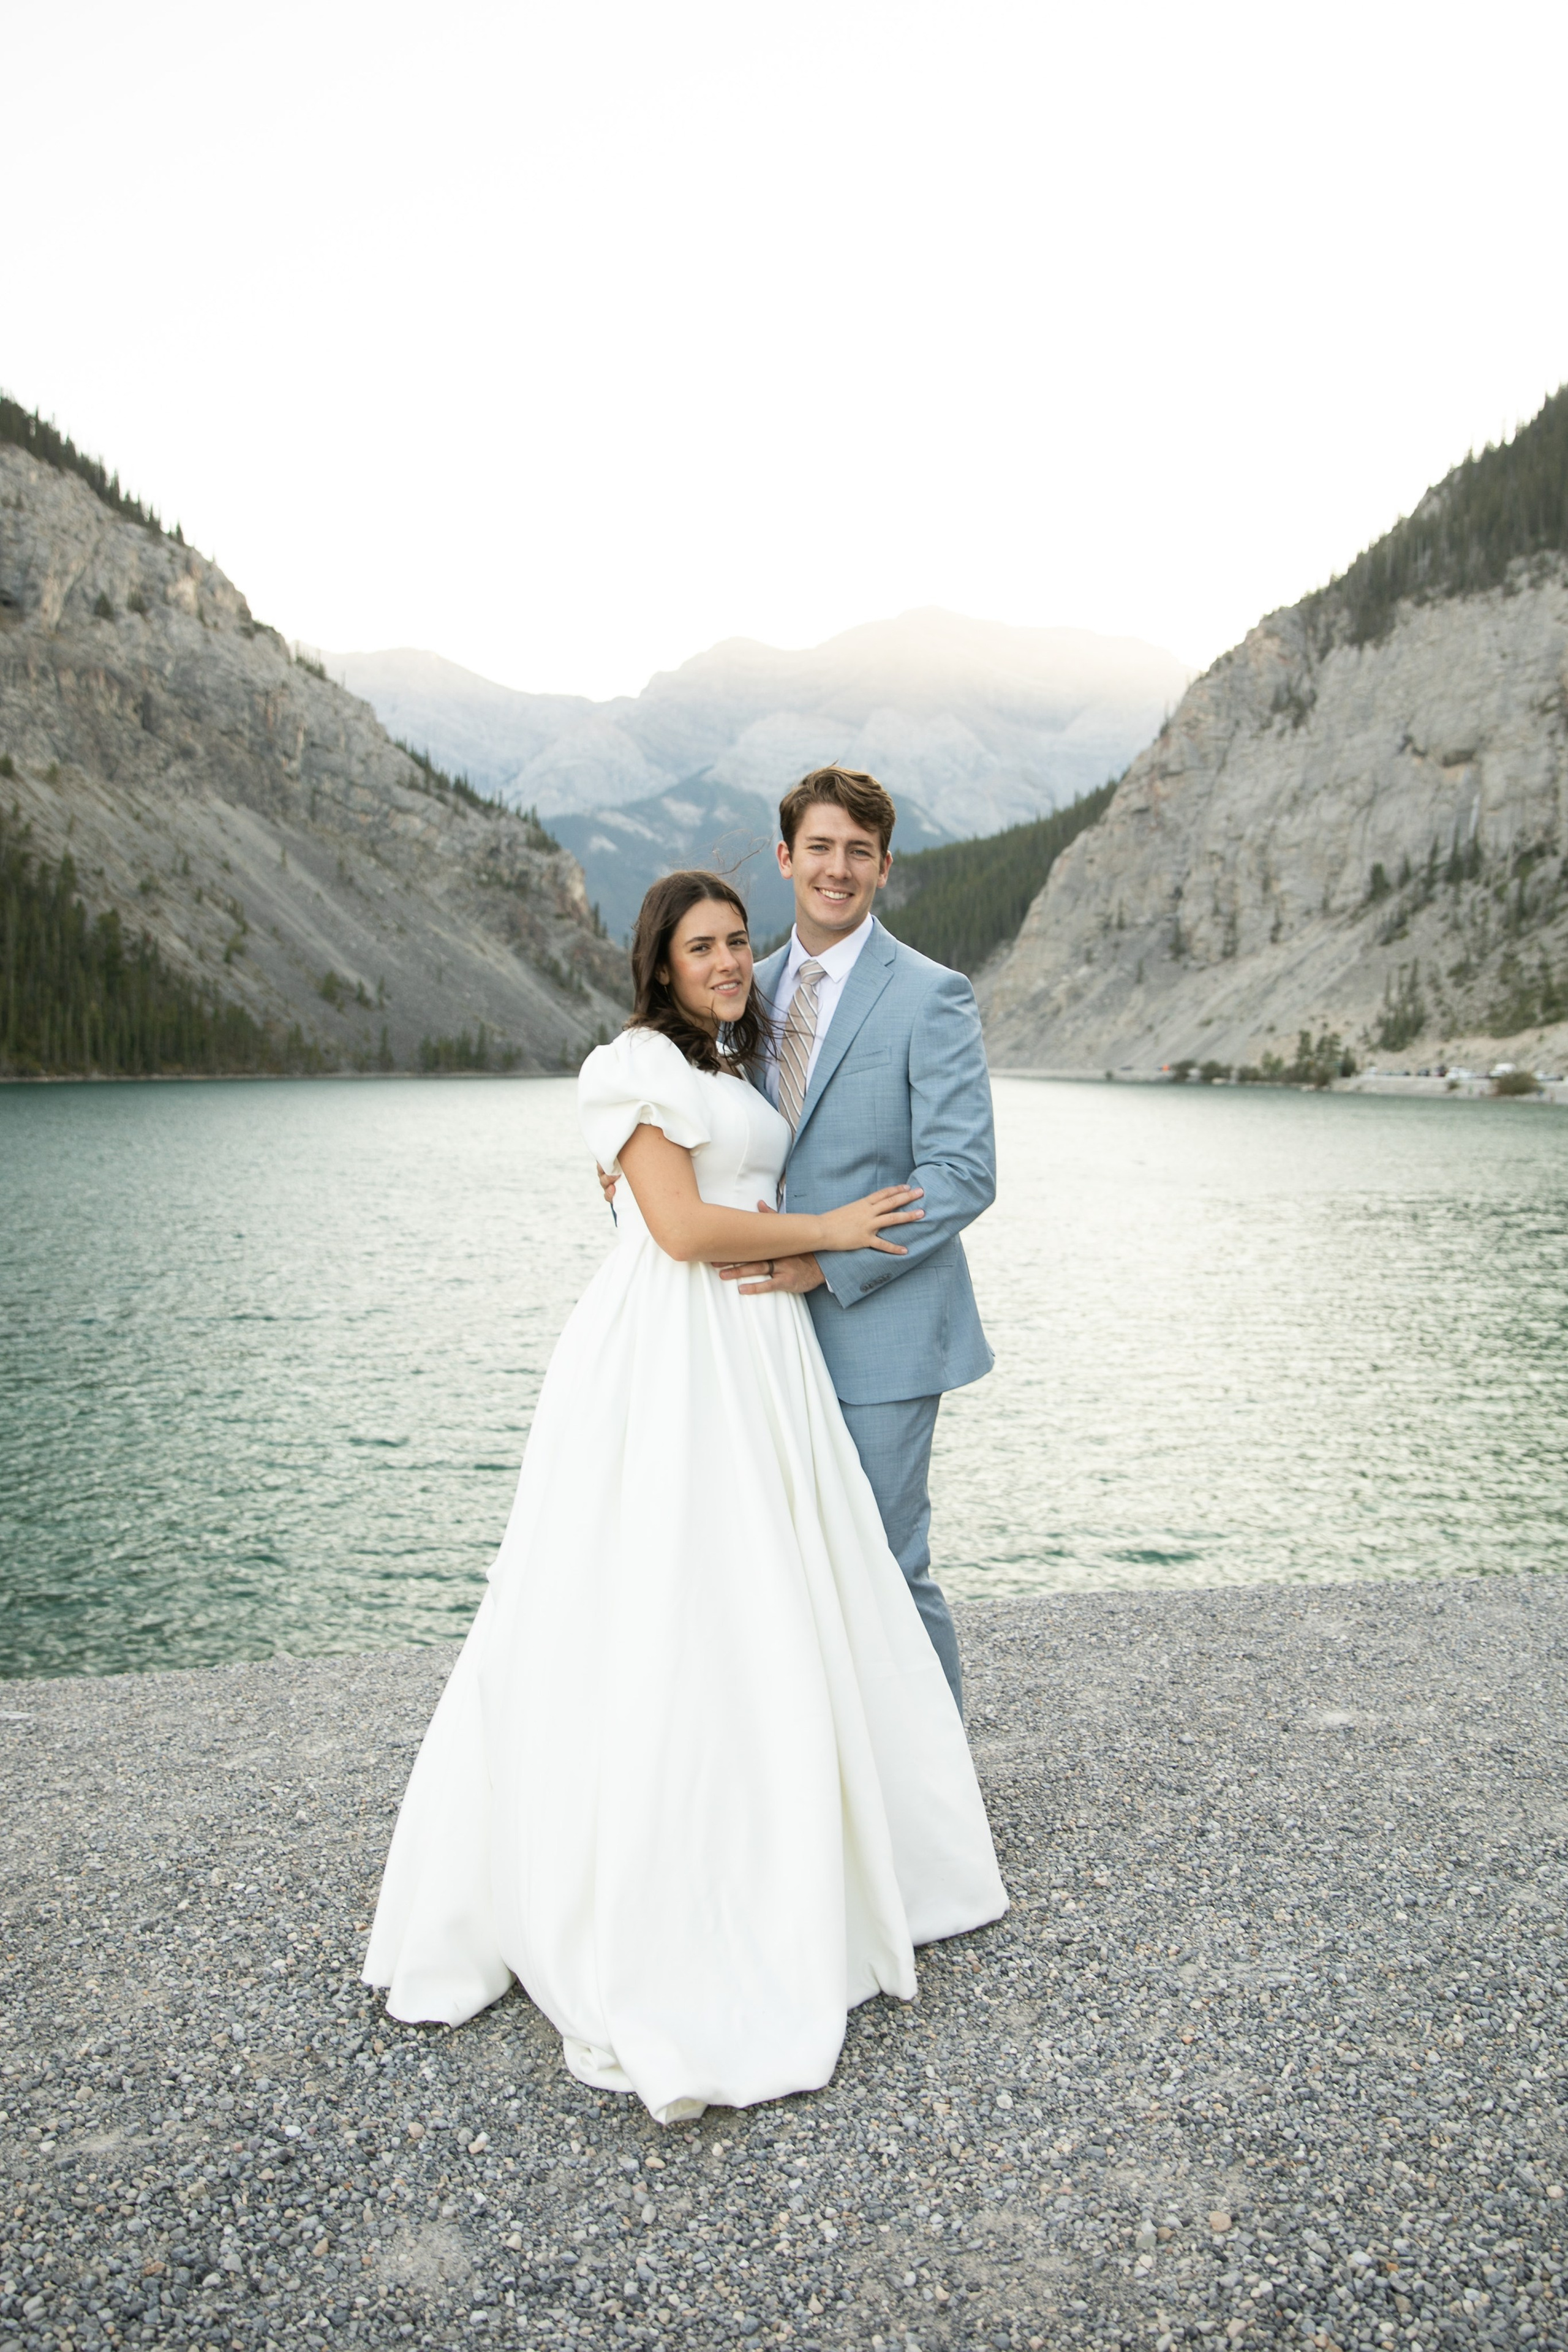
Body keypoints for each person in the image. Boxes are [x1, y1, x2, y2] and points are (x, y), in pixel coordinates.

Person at [363, 870, 1006, 2125]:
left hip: (760, 1354)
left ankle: (818, 1840)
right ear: (659, 963)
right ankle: (657, 1876)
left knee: (791, 1579)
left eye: (735, 944)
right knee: (666, 1581)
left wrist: (804, 1236)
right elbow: (671, 1228)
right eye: (702, 947)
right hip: (675, 1346)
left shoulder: (728, 1063)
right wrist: (823, 1229)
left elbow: (737, 1181)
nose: (727, 962)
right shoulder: (635, 1069)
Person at [722, 766, 995, 1717]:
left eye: (860, 854)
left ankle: (939, 1804)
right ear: (788, 857)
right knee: (778, 1566)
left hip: (881, 1330)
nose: (838, 869)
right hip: (756, 1334)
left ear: (883, 869)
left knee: (885, 1562)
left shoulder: (932, 994)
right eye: (822, 848)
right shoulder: (738, 992)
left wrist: (825, 1264)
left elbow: (962, 1175)